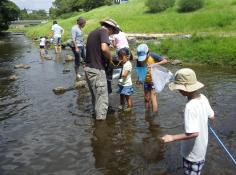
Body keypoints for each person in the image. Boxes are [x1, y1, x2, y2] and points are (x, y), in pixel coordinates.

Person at [161, 68, 215, 175]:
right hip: (201, 150)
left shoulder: (190, 107)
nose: (178, 90)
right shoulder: (203, 97)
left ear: (186, 89)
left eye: (179, 89)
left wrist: (172, 137)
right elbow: (212, 117)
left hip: (192, 153)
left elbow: (194, 133)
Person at [84, 19, 121, 120]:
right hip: (97, 71)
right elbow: (104, 48)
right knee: (102, 101)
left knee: (96, 98)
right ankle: (101, 130)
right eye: (113, 32)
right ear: (110, 28)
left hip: (88, 69)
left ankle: (95, 125)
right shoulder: (103, 31)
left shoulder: (92, 32)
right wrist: (110, 59)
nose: (111, 35)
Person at [136, 44, 167, 112]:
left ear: (148, 52)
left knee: (153, 96)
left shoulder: (153, 55)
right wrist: (138, 79)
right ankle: (147, 113)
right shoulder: (138, 59)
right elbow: (140, 70)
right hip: (146, 80)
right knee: (146, 98)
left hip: (154, 80)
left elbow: (165, 61)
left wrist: (154, 64)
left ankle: (155, 114)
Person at [117, 48, 133, 112]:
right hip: (121, 83)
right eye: (119, 57)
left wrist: (116, 74)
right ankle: (122, 105)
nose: (120, 59)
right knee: (121, 95)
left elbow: (125, 74)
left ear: (127, 56)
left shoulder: (128, 64)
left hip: (127, 84)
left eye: (121, 57)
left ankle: (129, 106)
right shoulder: (122, 63)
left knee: (127, 97)